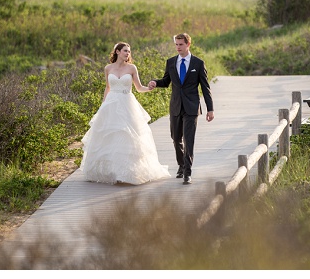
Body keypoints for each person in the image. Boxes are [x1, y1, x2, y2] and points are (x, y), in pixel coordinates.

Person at [80, 42, 171, 185]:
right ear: (117, 52)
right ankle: (111, 171)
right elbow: (108, 87)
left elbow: (139, 88)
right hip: (111, 104)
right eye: (124, 51)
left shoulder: (132, 68)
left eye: (128, 51)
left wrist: (150, 88)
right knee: (109, 136)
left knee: (128, 136)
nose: (127, 54)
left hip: (127, 104)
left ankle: (127, 172)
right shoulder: (108, 68)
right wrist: (103, 105)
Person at [148, 33, 214, 185]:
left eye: (181, 44)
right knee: (176, 138)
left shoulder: (198, 63)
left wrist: (210, 109)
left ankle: (187, 172)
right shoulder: (171, 62)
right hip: (176, 106)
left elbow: (205, 88)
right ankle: (181, 164)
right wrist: (155, 83)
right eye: (176, 44)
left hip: (191, 108)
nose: (178, 47)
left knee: (188, 140)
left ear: (188, 44)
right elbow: (166, 81)